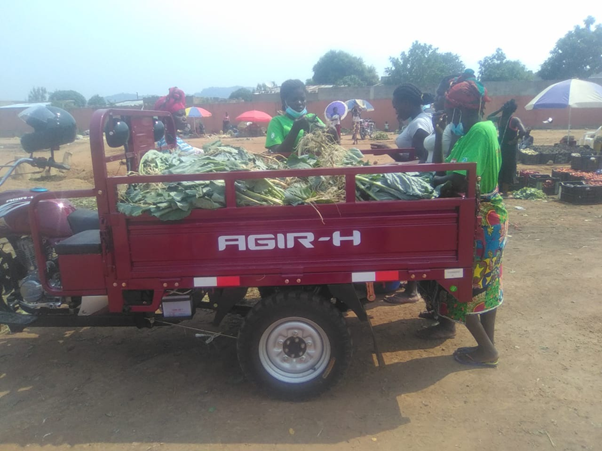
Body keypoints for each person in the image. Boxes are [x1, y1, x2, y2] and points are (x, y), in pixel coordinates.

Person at [421, 75, 507, 366]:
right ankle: (487, 347)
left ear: (460, 109)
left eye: (450, 110)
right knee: (486, 284)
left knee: (467, 285)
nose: (447, 115)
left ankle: (489, 350)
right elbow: (450, 166)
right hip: (488, 215)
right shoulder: (478, 130)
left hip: (480, 219)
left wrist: (437, 183)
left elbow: (458, 177)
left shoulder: (479, 132)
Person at [265, 79, 326, 153]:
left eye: (302, 99)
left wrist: (332, 133)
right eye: (294, 100)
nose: (299, 103)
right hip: (288, 164)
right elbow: (277, 154)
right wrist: (295, 130)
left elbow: (328, 144)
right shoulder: (277, 122)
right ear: (284, 102)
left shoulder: (312, 118)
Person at [487, 99, 527, 196]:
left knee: (503, 167)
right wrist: (514, 140)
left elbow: (489, 117)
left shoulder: (506, 119)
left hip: (504, 147)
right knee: (505, 167)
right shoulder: (510, 119)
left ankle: (501, 190)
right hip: (507, 147)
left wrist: (499, 110)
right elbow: (524, 131)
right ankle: (502, 190)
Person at [392, 83, 434, 163]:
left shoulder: (418, 124)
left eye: (396, 107)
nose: (396, 112)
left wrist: (389, 151)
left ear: (406, 104)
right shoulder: (425, 117)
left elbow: (420, 161)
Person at [154, 87, 202, 154]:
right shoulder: (168, 143)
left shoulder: (172, 139)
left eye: (184, 114)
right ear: (167, 119)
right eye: (179, 115)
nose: (184, 118)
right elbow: (194, 152)